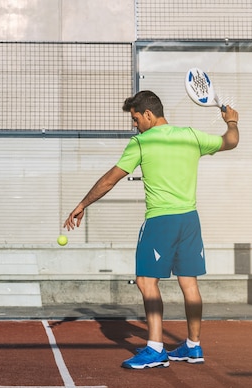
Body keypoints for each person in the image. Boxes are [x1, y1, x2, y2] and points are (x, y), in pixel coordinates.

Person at [63, 90, 239, 369]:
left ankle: (156, 348)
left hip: (160, 221)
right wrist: (231, 121)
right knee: (189, 283)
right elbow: (231, 141)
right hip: (190, 219)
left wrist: (83, 204)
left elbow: (110, 179)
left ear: (148, 114)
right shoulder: (191, 135)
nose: (134, 125)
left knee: (146, 281)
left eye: (135, 119)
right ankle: (193, 347)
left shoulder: (141, 142)